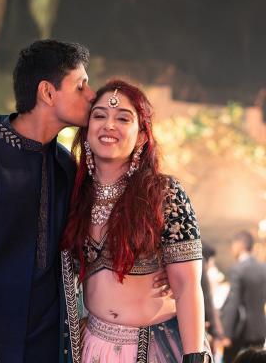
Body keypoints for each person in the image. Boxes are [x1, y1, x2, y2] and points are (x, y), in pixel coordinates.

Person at [0, 39, 170, 363]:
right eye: (80, 85)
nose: (91, 95)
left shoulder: (66, 166)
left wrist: (160, 266)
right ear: (47, 92)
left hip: (55, 349)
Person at [61, 79, 213, 362]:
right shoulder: (74, 193)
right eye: (99, 116)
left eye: (123, 118)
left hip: (156, 347)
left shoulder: (164, 194)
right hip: (91, 345)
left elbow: (187, 286)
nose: (109, 125)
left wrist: (194, 356)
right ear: (87, 128)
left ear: (141, 136)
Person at [221, 230, 266, 363]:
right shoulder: (263, 268)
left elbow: (233, 303)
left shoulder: (238, 269)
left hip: (240, 330)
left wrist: (227, 334)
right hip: (260, 328)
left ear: (239, 245)